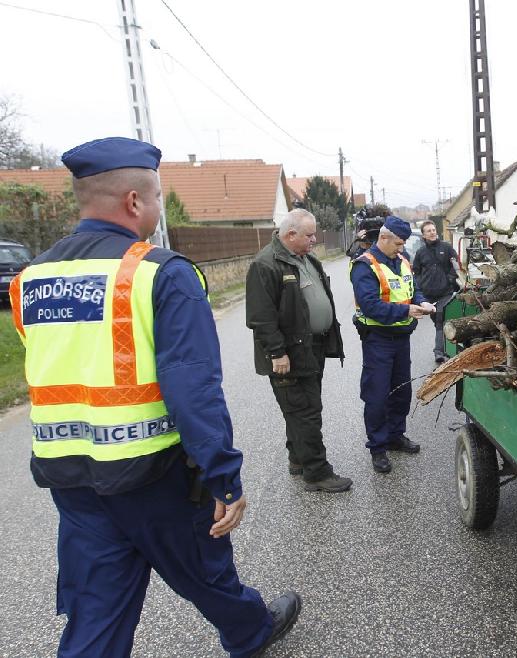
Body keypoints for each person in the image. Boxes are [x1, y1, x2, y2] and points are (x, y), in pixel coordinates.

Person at [7, 137, 299, 657]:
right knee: (204, 570)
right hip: (152, 473)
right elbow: (193, 390)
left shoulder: (31, 278)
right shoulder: (161, 274)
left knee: (96, 611)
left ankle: (246, 627)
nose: (160, 208)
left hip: (69, 473)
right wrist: (223, 478)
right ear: (135, 202)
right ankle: (250, 630)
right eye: (160, 197)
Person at [246, 209, 352, 493]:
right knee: (304, 411)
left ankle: (298, 457)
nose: (315, 240)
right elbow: (260, 317)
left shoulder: (307, 259)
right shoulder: (266, 264)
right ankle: (317, 473)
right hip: (288, 354)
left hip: (311, 348)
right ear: (290, 234)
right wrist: (277, 353)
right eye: (309, 235)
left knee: (303, 407)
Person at [349, 216, 435, 473]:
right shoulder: (364, 266)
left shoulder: (403, 260)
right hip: (378, 339)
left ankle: (396, 435)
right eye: (398, 243)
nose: (401, 248)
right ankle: (377, 447)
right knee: (377, 395)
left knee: (401, 391)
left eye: (403, 244)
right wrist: (406, 311)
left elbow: (413, 290)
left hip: (401, 338)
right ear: (383, 238)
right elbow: (370, 305)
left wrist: (423, 302)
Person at [411, 221, 460, 363]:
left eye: (433, 229)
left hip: (445, 292)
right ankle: (445, 346)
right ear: (424, 235)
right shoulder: (420, 253)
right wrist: (421, 284)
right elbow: (417, 271)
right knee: (438, 322)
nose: (432, 232)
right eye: (428, 231)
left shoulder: (446, 247)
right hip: (428, 295)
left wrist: (450, 280)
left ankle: (439, 352)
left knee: (441, 319)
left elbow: (455, 265)